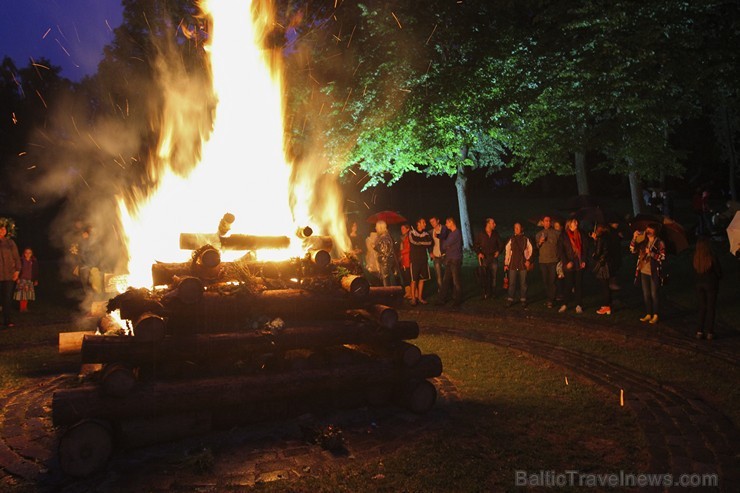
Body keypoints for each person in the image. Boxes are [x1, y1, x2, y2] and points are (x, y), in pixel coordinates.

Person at [630, 224, 666, 324]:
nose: (648, 230)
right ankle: (648, 313)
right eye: (647, 228)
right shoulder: (643, 241)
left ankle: (655, 314)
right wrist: (634, 238)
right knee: (646, 294)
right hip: (643, 271)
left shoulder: (659, 242)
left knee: (654, 294)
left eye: (651, 228)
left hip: (654, 272)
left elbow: (662, 257)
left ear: (655, 230)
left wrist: (651, 253)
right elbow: (632, 249)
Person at [558, 218, 588, 314]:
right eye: (574, 222)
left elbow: (585, 248)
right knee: (568, 284)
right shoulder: (564, 235)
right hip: (569, 264)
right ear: (569, 224)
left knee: (578, 284)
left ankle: (578, 304)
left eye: (576, 222)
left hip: (578, 263)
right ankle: (565, 304)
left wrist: (583, 260)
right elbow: (561, 250)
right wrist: (566, 262)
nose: (577, 223)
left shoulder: (581, 234)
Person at [693, 237, 722, 340]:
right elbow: (718, 271)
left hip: (699, 285)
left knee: (702, 307)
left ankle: (699, 331)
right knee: (711, 308)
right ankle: (710, 332)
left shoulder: (696, 258)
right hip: (711, 284)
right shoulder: (712, 257)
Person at [591, 224, 619, 315]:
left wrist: (594, 252)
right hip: (609, 263)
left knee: (604, 286)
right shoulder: (610, 237)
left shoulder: (601, 238)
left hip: (603, 265)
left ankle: (606, 306)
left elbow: (598, 252)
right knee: (607, 285)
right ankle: (608, 304)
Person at [504, 222, 533, 308]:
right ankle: (510, 299)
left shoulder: (526, 239)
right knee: (512, 283)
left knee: (523, 283)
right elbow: (507, 251)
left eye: (518, 227)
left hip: (522, 264)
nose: (516, 229)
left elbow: (531, 250)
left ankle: (523, 299)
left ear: (521, 229)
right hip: (512, 264)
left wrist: (529, 260)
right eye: (515, 227)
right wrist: (506, 264)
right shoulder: (511, 239)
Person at [436, 217, 463, 307]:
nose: (446, 225)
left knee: (456, 281)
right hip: (450, 259)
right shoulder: (452, 233)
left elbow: (445, 245)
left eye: (447, 223)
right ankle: (441, 299)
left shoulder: (456, 233)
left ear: (451, 222)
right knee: (446, 280)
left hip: (455, 259)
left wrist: (445, 243)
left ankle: (458, 299)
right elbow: (446, 246)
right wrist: (447, 245)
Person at [474, 218, 503, 299]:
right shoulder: (481, 234)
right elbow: (475, 245)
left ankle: (493, 293)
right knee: (484, 276)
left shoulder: (495, 234)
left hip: (493, 258)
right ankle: (485, 293)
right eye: (493, 223)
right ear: (488, 224)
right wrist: (479, 253)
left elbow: (501, 244)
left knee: (493, 276)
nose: (495, 224)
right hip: (485, 258)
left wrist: (499, 251)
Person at [535, 215, 560, 308]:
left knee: (552, 280)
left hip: (553, 260)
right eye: (546, 221)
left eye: (549, 221)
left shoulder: (556, 233)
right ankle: (549, 297)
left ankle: (551, 300)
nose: (548, 222)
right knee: (545, 281)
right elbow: (537, 247)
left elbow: (560, 245)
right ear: (542, 222)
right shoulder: (538, 234)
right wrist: (540, 242)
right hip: (543, 261)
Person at [0, 219, 21, 327]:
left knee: (7, 298)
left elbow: (16, 257)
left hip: (8, 275)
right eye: (0, 229)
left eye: (3, 229)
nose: (2, 231)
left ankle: (7, 320)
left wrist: (17, 271)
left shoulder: (10, 242)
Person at [408, 218, 433, 305]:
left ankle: (420, 297)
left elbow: (429, 242)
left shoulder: (426, 234)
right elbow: (413, 241)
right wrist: (422, 242)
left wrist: (420, 241)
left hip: (423, 259)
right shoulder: (411, 232)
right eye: (423, 222)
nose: (425, 224)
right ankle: (413, 298)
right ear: (418, 224)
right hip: (414, 259)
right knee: (414, 279)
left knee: (422, 279)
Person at [374, 220, 398, 287]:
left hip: (385, 262)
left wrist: (375, 247)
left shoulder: (384, 238)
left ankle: (389, 294)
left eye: (376, 226)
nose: (375, 228)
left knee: (386, 280)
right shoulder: (384, 236)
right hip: (386, 262)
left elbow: (384, 251)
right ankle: (390, 293)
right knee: (387, 279)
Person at [14, 247, 39, 312]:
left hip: (29, 280)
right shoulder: (21, 260)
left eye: (29, 253)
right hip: (22, 279)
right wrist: (17, 278)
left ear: (32, 254)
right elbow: (17, 269)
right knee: (22, 294)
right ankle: (22, 308)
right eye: (26, 253)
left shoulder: (33, 261)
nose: (28, 254)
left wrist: (35, 279)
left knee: (27, 294)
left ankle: (25, 308)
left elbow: (36, 271)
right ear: (24, 253)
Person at [428, 216, 446, 293]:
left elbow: (446, 239)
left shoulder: (444, 229)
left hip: (444, 255)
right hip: (436, 256)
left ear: (438, 221)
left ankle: (450, 289)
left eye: (433, 221)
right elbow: (429, 244)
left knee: (447, 274)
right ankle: (441, 291)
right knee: (438, 275)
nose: (432, 223)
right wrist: (430, 252)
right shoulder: (430, 232)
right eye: (431, 222)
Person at [398, 223, 412, 299]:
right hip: (403, 260)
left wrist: (401, 252)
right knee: (405, 277)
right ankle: (407, 292)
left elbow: (409, 248)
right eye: (401, 229)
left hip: (408, 259)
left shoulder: (409, 237)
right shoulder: (402, 238)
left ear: (408, 229)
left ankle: (411, 293)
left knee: (408, 276)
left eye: (403, 228)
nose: (402, 230)